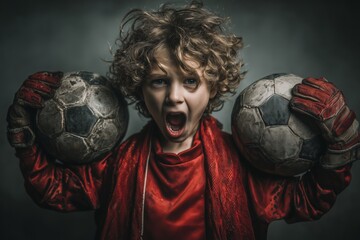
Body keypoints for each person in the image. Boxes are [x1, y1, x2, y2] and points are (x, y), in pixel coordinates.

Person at [6, 1, 359, 240]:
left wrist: (343, 146)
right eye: (159, 81)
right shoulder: (119, 163)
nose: (174, 96)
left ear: (213, 87)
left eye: (190, 81)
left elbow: (306, 199)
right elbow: (53, 189)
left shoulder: (242, 163)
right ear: (140, 89)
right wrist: (25, 135)